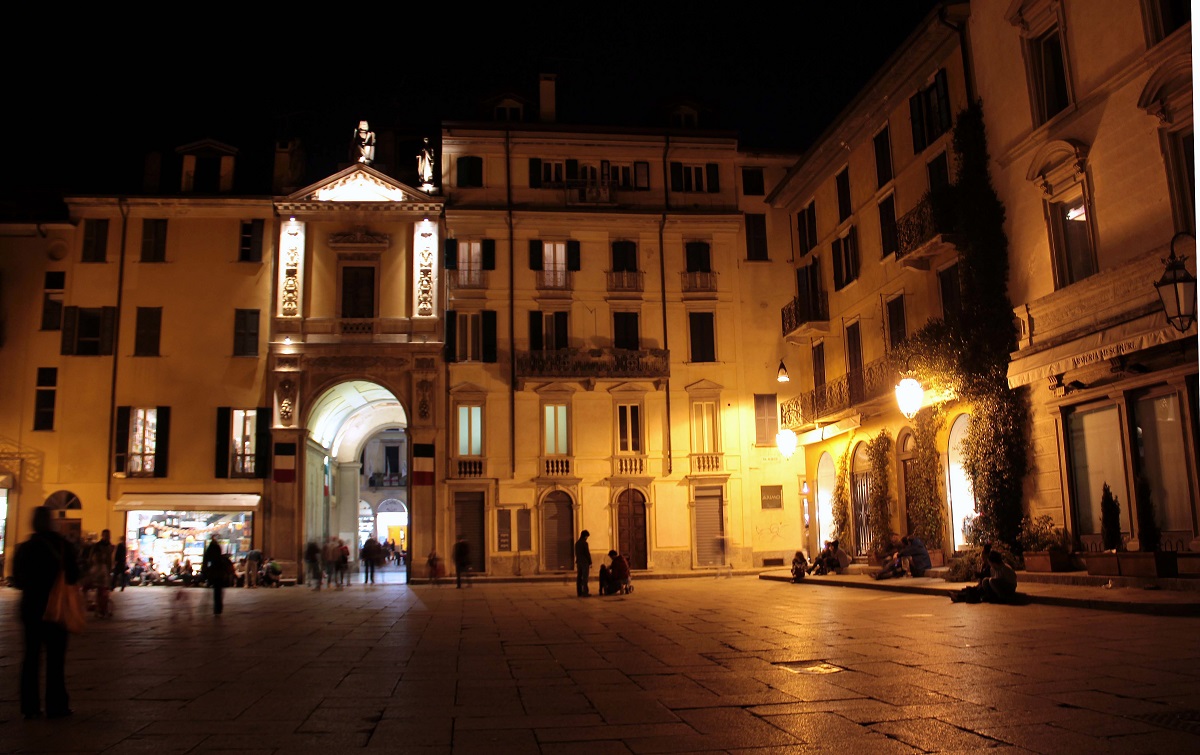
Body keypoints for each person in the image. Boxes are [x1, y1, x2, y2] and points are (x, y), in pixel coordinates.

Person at [13, 506, 80, 720]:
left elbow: (17, 580)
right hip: (56, 608)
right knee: (56, 659)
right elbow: (73, 576)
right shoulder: (62, 546)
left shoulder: (25, 547)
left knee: (31, 657)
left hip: (32, 608)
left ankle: (30, 706)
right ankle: (56, 705)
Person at [950, 550, 1018, 604]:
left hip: (1008, 589)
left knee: (991, 581)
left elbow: (1012, 584)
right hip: (997, 588)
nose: (990, 565)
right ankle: (959, 597)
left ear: (994, 562)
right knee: (985, 581)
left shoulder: (1006, 569)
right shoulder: (992, 569)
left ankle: (1000, 598)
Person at [89, 530, 115, 618]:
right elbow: (93, 557)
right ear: (102, 535)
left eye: (108, 535)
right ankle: (100, 609)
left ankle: (103, 609)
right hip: (100, 570)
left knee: (104, 591)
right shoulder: (98, 546)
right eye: (106, 535)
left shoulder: (110, 545)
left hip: (106, 569)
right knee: (101, 590)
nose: (107, 537)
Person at [202, 535, 229, 615]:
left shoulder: (210, 549)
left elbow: (206, 560)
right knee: (218, 591)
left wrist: (205, 571)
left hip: (214, 571)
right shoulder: (218, 549)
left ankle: (217, 608)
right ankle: (218, 608)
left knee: (216, 591)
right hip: (219, 572)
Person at [574, 530, 592, 597]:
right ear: (585, 536)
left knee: (579, 577)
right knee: (585, 578)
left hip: (579, 562)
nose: (587, 538)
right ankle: (585, 592)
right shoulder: (585, 543)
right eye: (587, 536)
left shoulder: (577, 543)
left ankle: (579, 592)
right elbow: (587, 553)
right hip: (585, 562)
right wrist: (590, 562)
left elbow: (576, 553)